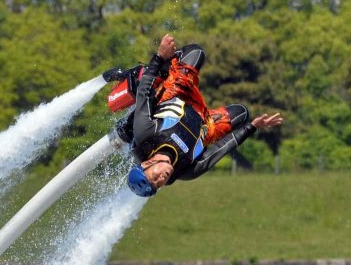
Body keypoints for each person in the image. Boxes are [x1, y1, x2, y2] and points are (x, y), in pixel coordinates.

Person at [103, 34, 283, 197]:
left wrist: (159, 56)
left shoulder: (146, 136)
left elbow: (144, 93)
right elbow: (223, 147)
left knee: (196, 52)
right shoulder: (187, 171)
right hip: (205, 122)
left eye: (154, 176)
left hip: (175, 94)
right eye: (158, 184)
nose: (161, 178)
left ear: (145, 165)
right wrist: (253, 127)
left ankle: (132, 76)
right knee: (242, 113)